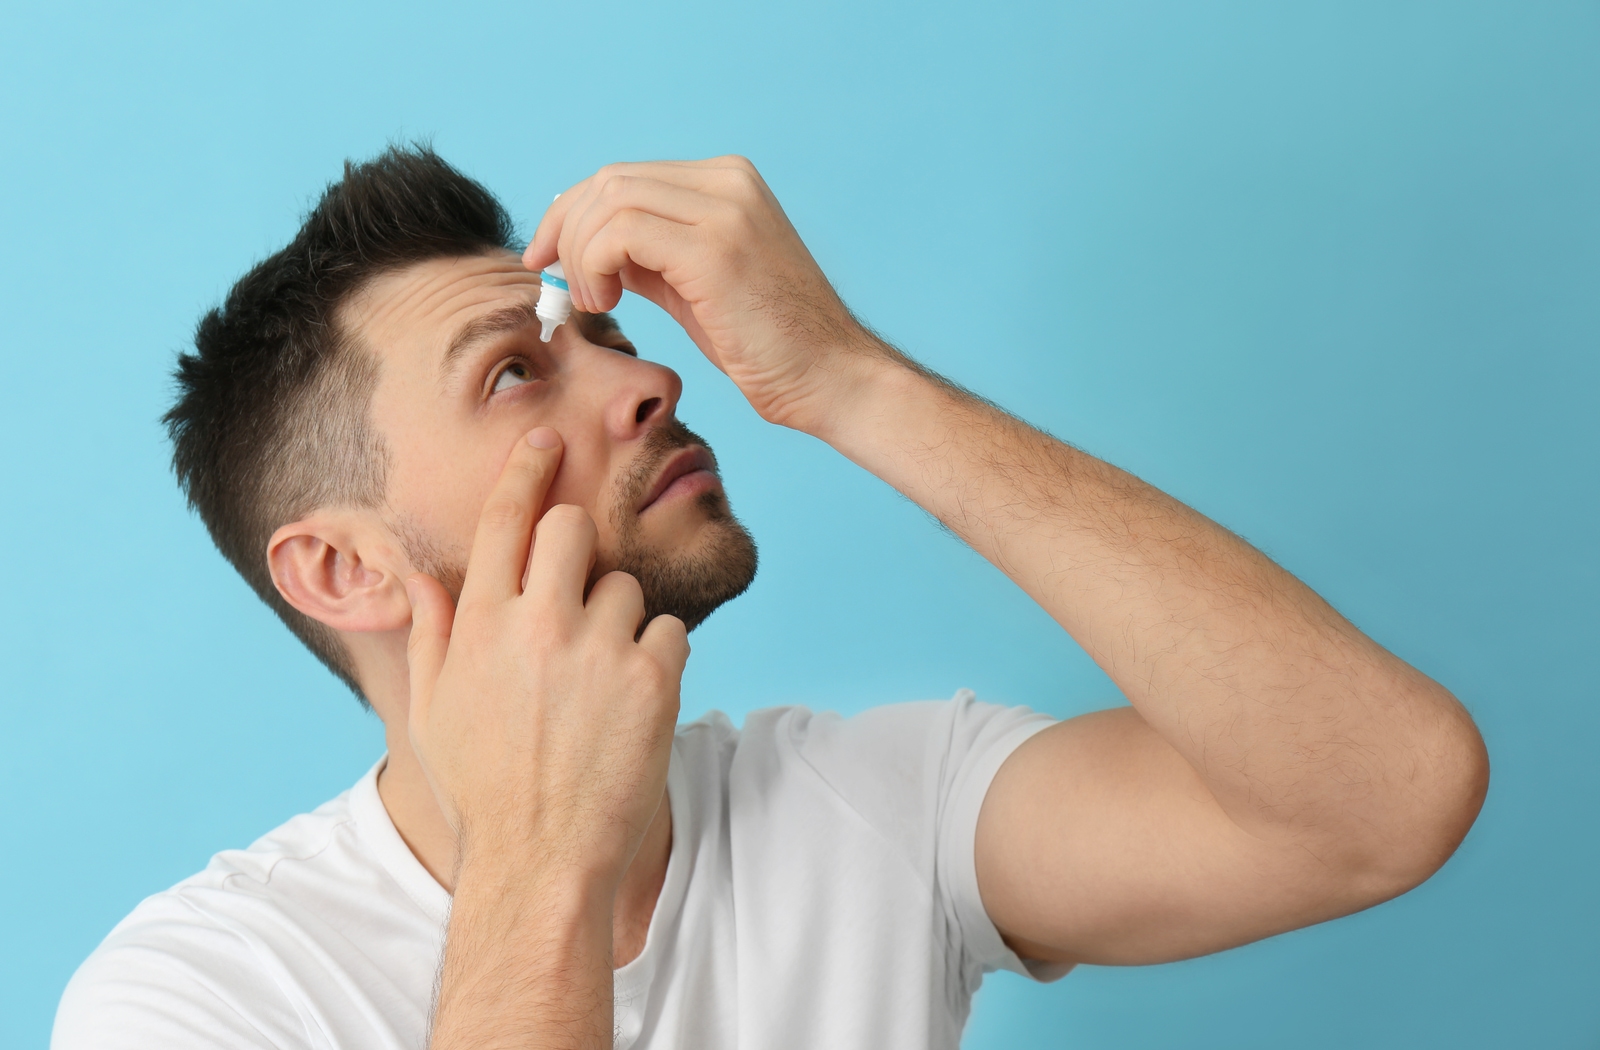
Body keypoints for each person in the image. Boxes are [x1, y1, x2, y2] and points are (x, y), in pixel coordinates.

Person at [53, 147, 1489, 1050]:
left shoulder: (873, 808)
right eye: (515, 370)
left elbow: (1385, 794)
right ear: (343, 569)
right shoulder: (194, 997)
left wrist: (852, 379)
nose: (645, 378)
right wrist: (545, 856)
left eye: (609, 337)